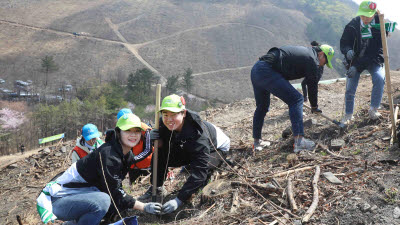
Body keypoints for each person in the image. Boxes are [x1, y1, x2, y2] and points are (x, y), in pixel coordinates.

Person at [36, 114, 162, 224]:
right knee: (103, 201)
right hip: (58, 201)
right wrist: (144, 206)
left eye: (137, 131)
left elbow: (115, 188)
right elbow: (115, 192)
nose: (133, 135)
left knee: (113, 205)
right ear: (118, 132)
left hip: (81, 196)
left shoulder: (126, 154)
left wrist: (149, 141)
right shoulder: (109, 156)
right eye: (128, 131)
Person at [139, 94, 230, 214]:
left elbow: (200, 171)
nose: (169, 119)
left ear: (184, 113)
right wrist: (158, 141)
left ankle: (194, 189)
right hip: (186, 147)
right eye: (165, 115)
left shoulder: (198, 135)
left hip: (217, 149)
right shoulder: (163, 123)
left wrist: (178, 199)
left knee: (201, 169)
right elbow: (165, 146)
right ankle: (157, 187)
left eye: (174, 115)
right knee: (159, 153)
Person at [251, 43, 334, 152]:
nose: (323, 65)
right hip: (267, 70)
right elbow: (312, 85)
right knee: (296, 99)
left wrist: (314, 105)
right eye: (326, 61)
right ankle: (299, 142)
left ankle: (257, 142)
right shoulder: (312, 60)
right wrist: (314, 106)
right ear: (321, 54)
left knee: (262, 107)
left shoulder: (307, 53)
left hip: (257, 69)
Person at [340, 1, 396, 123]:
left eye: (368, 16)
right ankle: (348, 115)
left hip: (373, 59)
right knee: (350, 88)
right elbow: (344, 43)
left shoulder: (379, 25)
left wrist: (357, 66)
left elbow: (375, 51)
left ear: (374, 14)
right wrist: (348, 50)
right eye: (363, 15)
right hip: (355, 60)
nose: (365, 19)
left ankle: (373, 109)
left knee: (379, 78)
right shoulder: (352, 25)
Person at [107, 108, 153, 184]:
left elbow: (148, 149)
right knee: (133, 187)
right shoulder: (119, 131)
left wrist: (133, 159)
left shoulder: (145, 130)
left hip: (146, 165)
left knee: (144, 186)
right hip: (131, 167)